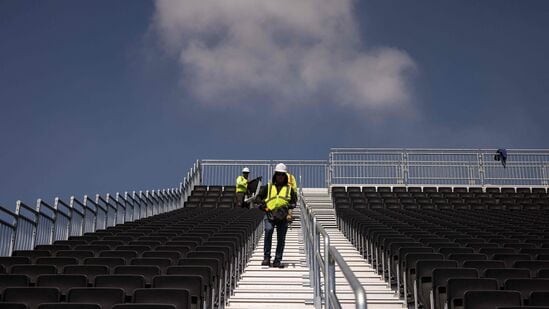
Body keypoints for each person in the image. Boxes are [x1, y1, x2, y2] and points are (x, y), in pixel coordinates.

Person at [256, 163, 297, 268]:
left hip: (282, 216)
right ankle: (266, 258)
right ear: (275, 175)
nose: (280, 176)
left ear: (285, 176)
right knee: (268, 231)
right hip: (269, 214)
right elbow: (258, 198)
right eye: (278, 174)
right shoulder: (269, 187)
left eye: (282, 174)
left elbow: (294, 201)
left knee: (281, 238)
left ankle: (277, 260)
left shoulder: (289, 189)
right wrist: (264, 207)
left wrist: (289, 207)